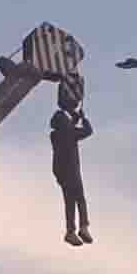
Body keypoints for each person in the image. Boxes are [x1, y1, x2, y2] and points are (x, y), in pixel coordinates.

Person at [50, 96, 94, 246]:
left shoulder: (55, 135)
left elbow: (69, 129)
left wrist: (74, 119)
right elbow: (88, 131)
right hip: (72, 171)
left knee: (69, 202)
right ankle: (83, 227)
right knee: (80, 199)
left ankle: (70, 231)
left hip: (61, 173)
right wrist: (83, 118)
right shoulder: (70, 133)